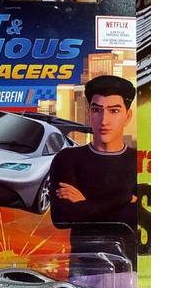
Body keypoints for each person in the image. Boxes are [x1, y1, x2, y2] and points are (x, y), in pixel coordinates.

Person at [49, 75, 138, 268]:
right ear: (89, 112)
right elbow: (62, 218)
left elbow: (141, 217)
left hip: (131, 270)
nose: (104, 120)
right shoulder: (67, 158)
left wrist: (85, 205)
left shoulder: (138, 161)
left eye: (114, 111)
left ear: (128, 116)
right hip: (84, 269)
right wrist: (124, 198)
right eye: (97, 110)